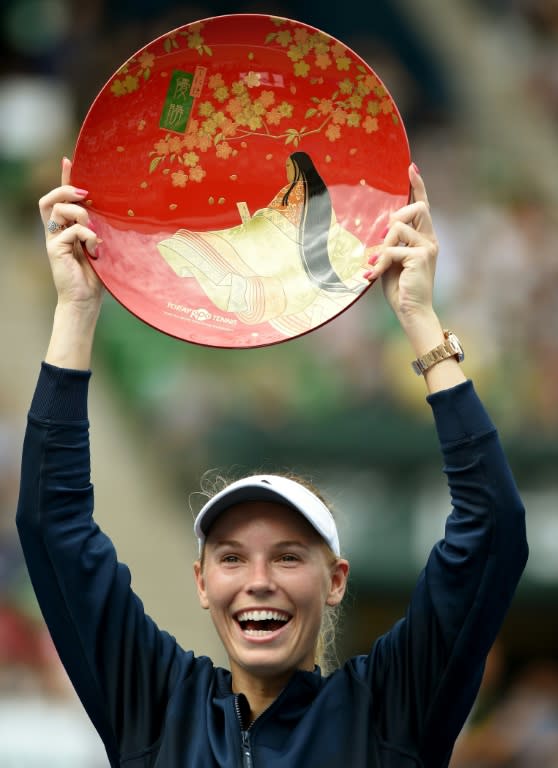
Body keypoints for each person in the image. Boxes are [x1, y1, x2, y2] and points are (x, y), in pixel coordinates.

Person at [16, 157, 528, 767]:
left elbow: (492, 528)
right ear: (203, 583)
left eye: (287, 556)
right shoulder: (155, 706)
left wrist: (421, 321)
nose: (258, 580)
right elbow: (53, 524)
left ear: (335, 580)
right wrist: (75, 310)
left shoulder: (390, 711)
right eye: (232, 557)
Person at [157, 151, 368, 334]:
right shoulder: (300, 191)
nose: (286, 172)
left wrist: (259, 223)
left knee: (235, 249)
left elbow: (284, 221)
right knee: (232, 247)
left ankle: (242, 288)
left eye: (288, 167)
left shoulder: (301, 192)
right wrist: (257, 221)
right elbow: (276, 216)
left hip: (281, 246)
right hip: (277, 244)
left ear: (298, 167)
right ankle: (240, 286)